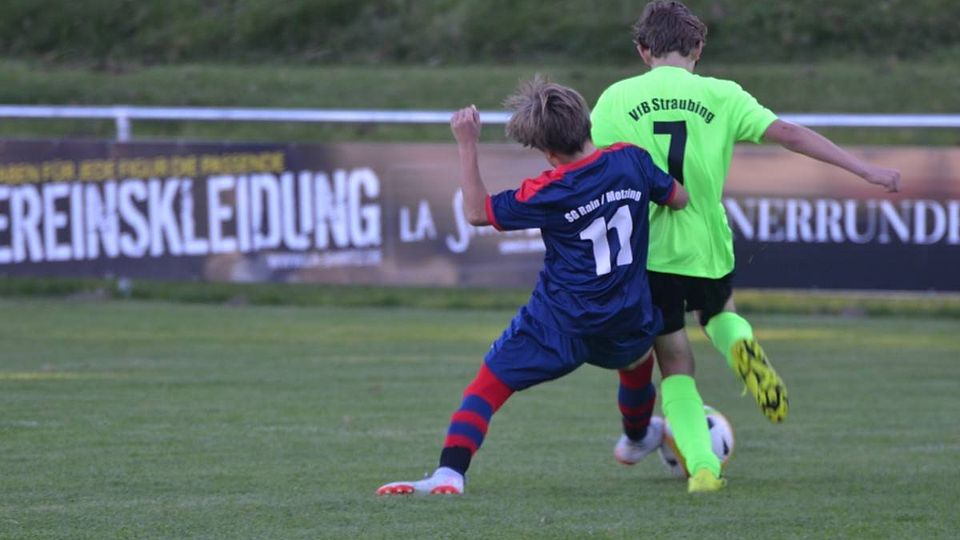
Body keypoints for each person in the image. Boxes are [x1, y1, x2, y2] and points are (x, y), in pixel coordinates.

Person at [590, 0, 902, 489]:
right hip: (707, 244)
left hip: (648, 251)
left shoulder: (615, 99)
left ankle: (703, 468)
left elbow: (593, 169)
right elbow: (789, 135)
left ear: (643, 50)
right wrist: (864, 169)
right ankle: (740, 346)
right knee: (718, 313)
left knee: (675, 365)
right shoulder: (722, 94)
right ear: (698, 47)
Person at [377, 77, 689, 496]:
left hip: (558, 320)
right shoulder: (631, 159)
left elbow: (477, 212)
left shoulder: (549, 189)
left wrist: (467, 143)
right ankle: (637, 437)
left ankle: (449, 473)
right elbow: (679, 199)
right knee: (635, 365)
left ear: (547, 151)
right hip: (626, 313)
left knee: (487, 386)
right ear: (586, 122)